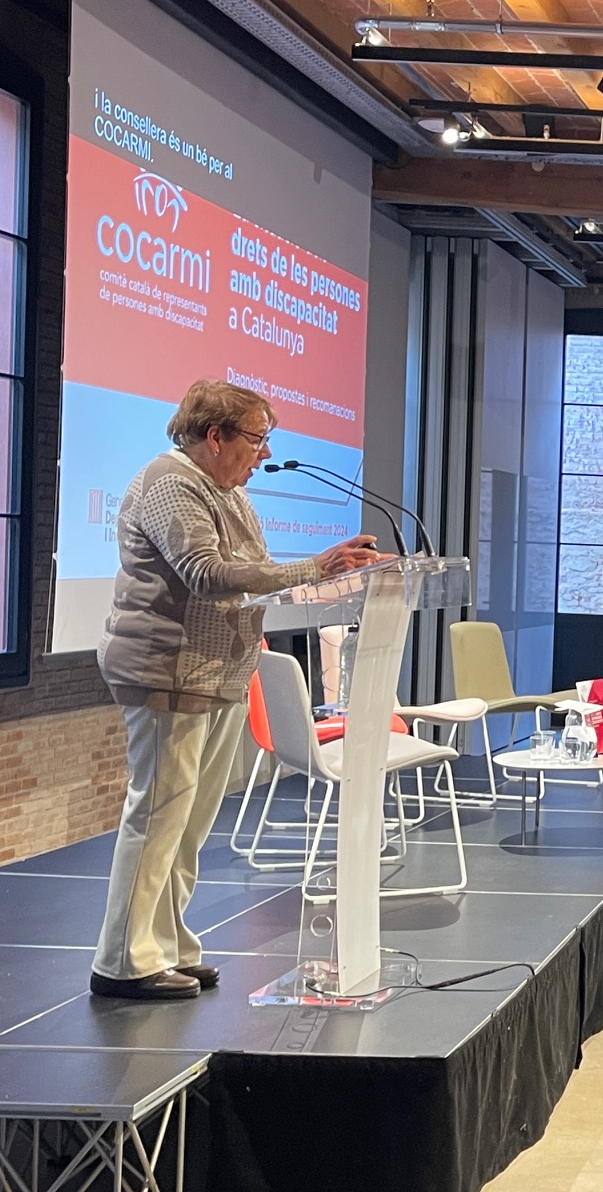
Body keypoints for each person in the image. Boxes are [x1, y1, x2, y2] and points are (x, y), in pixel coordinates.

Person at [92, 381, 384, 1001]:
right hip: (168, 670)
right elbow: (207, 575)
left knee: (190, 824)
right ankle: (123, 961)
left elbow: (253, 576)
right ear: (215, 435)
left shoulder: (230, 492)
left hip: (217, 673)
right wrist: (316, 567)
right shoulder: (172, 482)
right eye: (256, 438)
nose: (264, 452)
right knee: (158, 817)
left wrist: (328, 576)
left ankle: (165, 945)